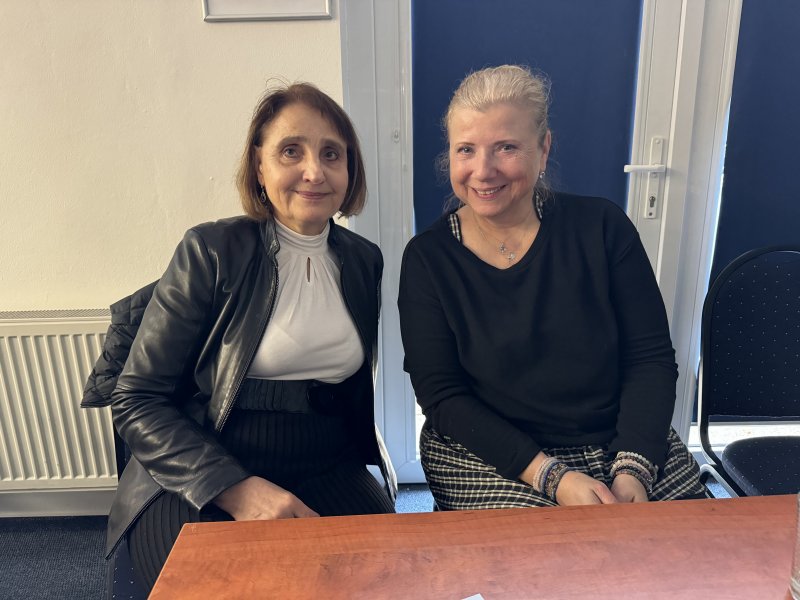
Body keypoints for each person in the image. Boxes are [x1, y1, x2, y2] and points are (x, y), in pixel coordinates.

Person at [103, 81, 396, 592]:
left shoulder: (363, 260)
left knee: (386, 581)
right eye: (291, 151)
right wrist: (237, 489)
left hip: (327, 462)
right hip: (203, 465)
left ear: (350, 170)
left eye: (332, 154)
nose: (314, 171)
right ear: (259, 166)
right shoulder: (212, 250)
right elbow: (136, 399)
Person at [398, 65, 707, 511]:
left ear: (543, 149)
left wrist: (633, 470)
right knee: (551, 553)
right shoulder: (428, 258)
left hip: (617, 441)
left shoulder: (603, 227)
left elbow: (650, 357)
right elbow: (443, 397)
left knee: (689, 545)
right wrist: (553, 478)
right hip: (495, 454)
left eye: (506, 147)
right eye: (466, 149)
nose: (483, 171)